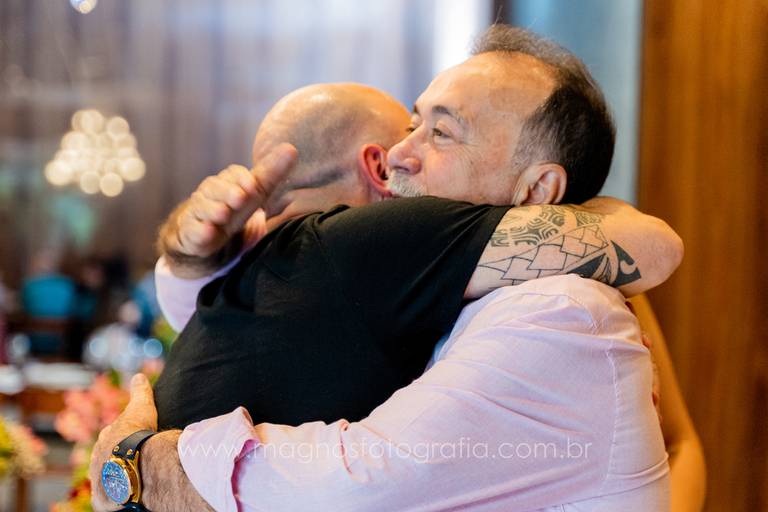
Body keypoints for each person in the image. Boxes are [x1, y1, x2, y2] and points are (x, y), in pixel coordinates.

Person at [90, 25, 694, 511]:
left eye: (440, 133)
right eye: (413, 123)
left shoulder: (559, 313)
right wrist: (192, 252)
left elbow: (356, 485)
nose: (401, 155)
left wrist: (140, 466)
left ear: (537, 192)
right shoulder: (409, 277)